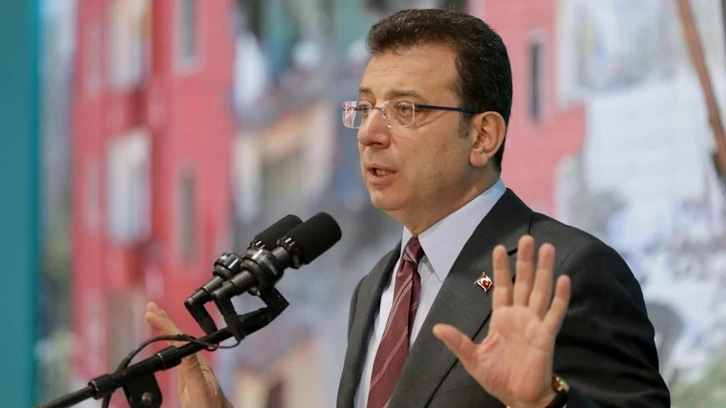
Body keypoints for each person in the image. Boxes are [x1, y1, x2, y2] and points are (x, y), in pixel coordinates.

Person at [145, 9, 671, 408]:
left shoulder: (569, 271)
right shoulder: (376, 287)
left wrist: (543, 403)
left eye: (405, 109)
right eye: (365, 107)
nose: (369, 134)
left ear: (482, 136)